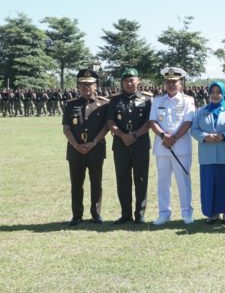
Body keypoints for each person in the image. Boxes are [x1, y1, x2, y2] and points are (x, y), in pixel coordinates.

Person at [191, 81, 225, 224]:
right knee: (209, 185)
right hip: (207, 156)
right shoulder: (201, 111)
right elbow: (194, 130)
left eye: (218, 92)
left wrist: (224, 136)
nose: (215, 95)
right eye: (212, 92)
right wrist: (204, 137)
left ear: (224, 93)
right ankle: (212, 213)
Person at [105, 68, 152, 225]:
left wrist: (135, 135)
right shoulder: (114, 100)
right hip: (121, 144)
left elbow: (149, 122)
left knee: (141, 179)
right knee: (122, 179)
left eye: (132, 80)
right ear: (122, 83)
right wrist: (123, 135)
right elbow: (110, 122)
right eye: (126, 80)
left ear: (138, 81)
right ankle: (126, 214)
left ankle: (140, 214)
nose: (129, 83)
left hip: (140, 144)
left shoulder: (147, 99)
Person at [62, 69, 109, 226]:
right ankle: (77, 215)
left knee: (96, 183)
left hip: (96, 149)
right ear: (78, 86)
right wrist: (76, 145)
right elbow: (66, 128)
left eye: (89, 84)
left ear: (96, 85)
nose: (85, 87)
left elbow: (106, 127)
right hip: (75, 150)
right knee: (76, 184)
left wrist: (93, 142)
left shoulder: (104, 103)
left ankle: (96, 214)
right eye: (82, 84)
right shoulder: (70, 104)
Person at [149, 67, 196, 225]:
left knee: (183, 181)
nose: (171, 84)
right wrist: (164, 136)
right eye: (168, 81)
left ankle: (187, 213)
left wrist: (174, 138)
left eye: (174, 81)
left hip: (181, 148)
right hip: (162, 147)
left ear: (180, 83)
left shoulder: (188, 100)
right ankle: (164, 213)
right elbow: (152, 122)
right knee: (163, 182)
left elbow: (188, 122)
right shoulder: (157, 101)